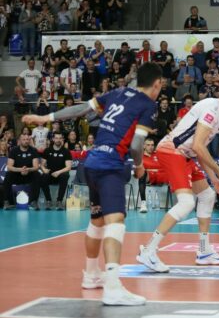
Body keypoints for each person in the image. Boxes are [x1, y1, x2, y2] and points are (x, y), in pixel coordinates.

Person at [22, 62, 163, 305]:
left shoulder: (117, 92)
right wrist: (139, 165)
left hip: (93, 161)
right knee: (115, 223)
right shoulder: (148, 105)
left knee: (97, 221)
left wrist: (45, 117)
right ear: (158, 84)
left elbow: (79, 110)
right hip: (110, 165)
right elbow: (137, 144)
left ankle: (91, 275)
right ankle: (112, 287)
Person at [137, 77, 219, 273]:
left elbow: (199, 150)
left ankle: (204, 252)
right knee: (186, 203)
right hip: (172, 151)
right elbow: (198, 147)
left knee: (208, 195)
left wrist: (214, 180)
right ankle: (149, 250)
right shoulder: (212, 108)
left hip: (185, 155)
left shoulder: (218, 112)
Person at [3, 133, 41, 210]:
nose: (26, 141)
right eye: (23, 139)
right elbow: (9, 166)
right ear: (19, 141)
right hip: (17, 175)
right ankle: (7, 202)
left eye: (27, 139)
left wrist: (28, 169)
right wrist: (20, 170)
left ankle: (33, 202)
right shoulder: (14, 150)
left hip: (29, 174)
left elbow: (36, 166)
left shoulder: (33, 150)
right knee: (8, 174)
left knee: (37, 174)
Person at [39, 132, 72, 210]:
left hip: (60, 175)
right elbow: (42, 164)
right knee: (43, 176)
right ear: (53, 139)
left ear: (62, 139)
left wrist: (58, 172)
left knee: (65, 175)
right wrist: (44, 169)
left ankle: (59, 201)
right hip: (50, 174)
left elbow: (68, 167)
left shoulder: (66, 151)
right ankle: (48, 200)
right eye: (56, 138)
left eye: (60, 138)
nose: (58, 140)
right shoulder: (47, 150)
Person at [138, 138, 168, 213]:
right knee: (142, 173)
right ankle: (143, 204)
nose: (150, 147)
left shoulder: (158, 154)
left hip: (162, 177)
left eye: (152, 145)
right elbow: (140, 169)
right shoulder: (140, 156)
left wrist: (151, 170)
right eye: (148, 145)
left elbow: (165, 167)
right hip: (150, 178)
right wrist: (153, 170)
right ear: (144, 146)